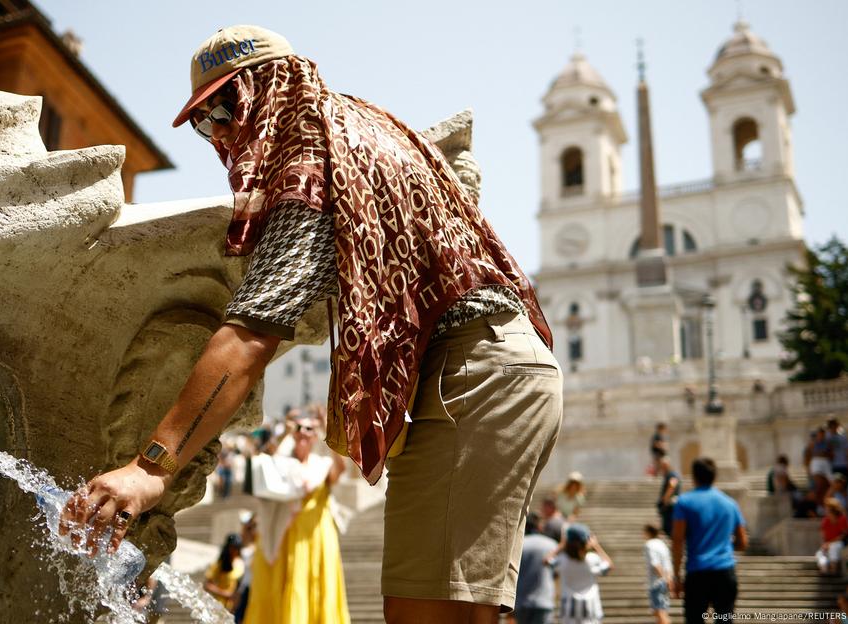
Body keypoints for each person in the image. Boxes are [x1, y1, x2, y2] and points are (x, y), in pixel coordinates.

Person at [58, 24, 561, 624]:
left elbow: (251, 333)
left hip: (474, 380)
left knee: (432, 615)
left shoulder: (310, 156)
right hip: (486, 374)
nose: (217, 133)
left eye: (223, 109)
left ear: (267, 90)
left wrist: (149, 469)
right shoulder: (361, 124)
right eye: (201, 122)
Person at [244, 414, 349, 623]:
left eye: (309, 429)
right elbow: (262, 459)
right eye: (299, 428)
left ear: (315, 436)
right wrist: (284, 430)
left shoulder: (322, 464)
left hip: (318, 536)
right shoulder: (282, 466)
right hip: (287, 533)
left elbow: (340, 471)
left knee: (320, 585)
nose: (303, 432)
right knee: (289, 583)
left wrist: (330, 432)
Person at [671, 457, 748, 624]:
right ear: (715, 476)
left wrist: (677, 576)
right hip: (725, 572)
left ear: (693, 476)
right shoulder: (730, 503)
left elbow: (677, 541)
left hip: (697, 573)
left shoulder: (684, 502)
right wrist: (724, 545)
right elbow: (743, 542)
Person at [545, 524, 613, 624]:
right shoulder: (592, 560)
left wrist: (561, 545)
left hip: (568, 609)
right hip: (591, 608)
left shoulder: (562, 561)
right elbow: (609, 565)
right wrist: (596, 546)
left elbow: (546, 560)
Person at [512, 512, 558, 624]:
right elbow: (557, 573)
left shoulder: (518, 545)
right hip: (544, 600)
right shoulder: (552, 545)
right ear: (539, 526)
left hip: (521, 601)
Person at [204, 533, 245, 612]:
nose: (234, 551)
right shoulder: (219, 565)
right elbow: (207, 585)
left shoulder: (241, 564)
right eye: (232, 548)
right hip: (219, 606)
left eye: (237, 548)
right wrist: (225, 593)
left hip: (236, 607)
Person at [643, 524, 672, 624]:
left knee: (659, 611)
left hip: (656, 582)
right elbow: (667, 564)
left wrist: (663, 578)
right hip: (665, 579)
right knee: (662, 610)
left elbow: (655, 563)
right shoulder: (662, 544)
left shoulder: (649, 544)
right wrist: (668, 579)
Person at [816, 497, 848, 575]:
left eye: (827, 508)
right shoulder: (825, 521)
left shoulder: (842, 519)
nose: (825, 510)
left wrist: (829, 543)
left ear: (833, 509)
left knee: (834, 547)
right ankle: (824, 569)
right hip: (828, 544)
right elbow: (823, 536)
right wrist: (824, 545)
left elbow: (843, 536)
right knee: (819, 553)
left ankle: (833, 568)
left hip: (842, 544)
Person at [657, 455, 682, 538]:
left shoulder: (672, 474)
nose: (662, 467)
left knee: (669, 529)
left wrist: (665, 499)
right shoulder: (668, 475)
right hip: (669, 506)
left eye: (663, 465)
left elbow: (672, 484)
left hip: (670, 506)